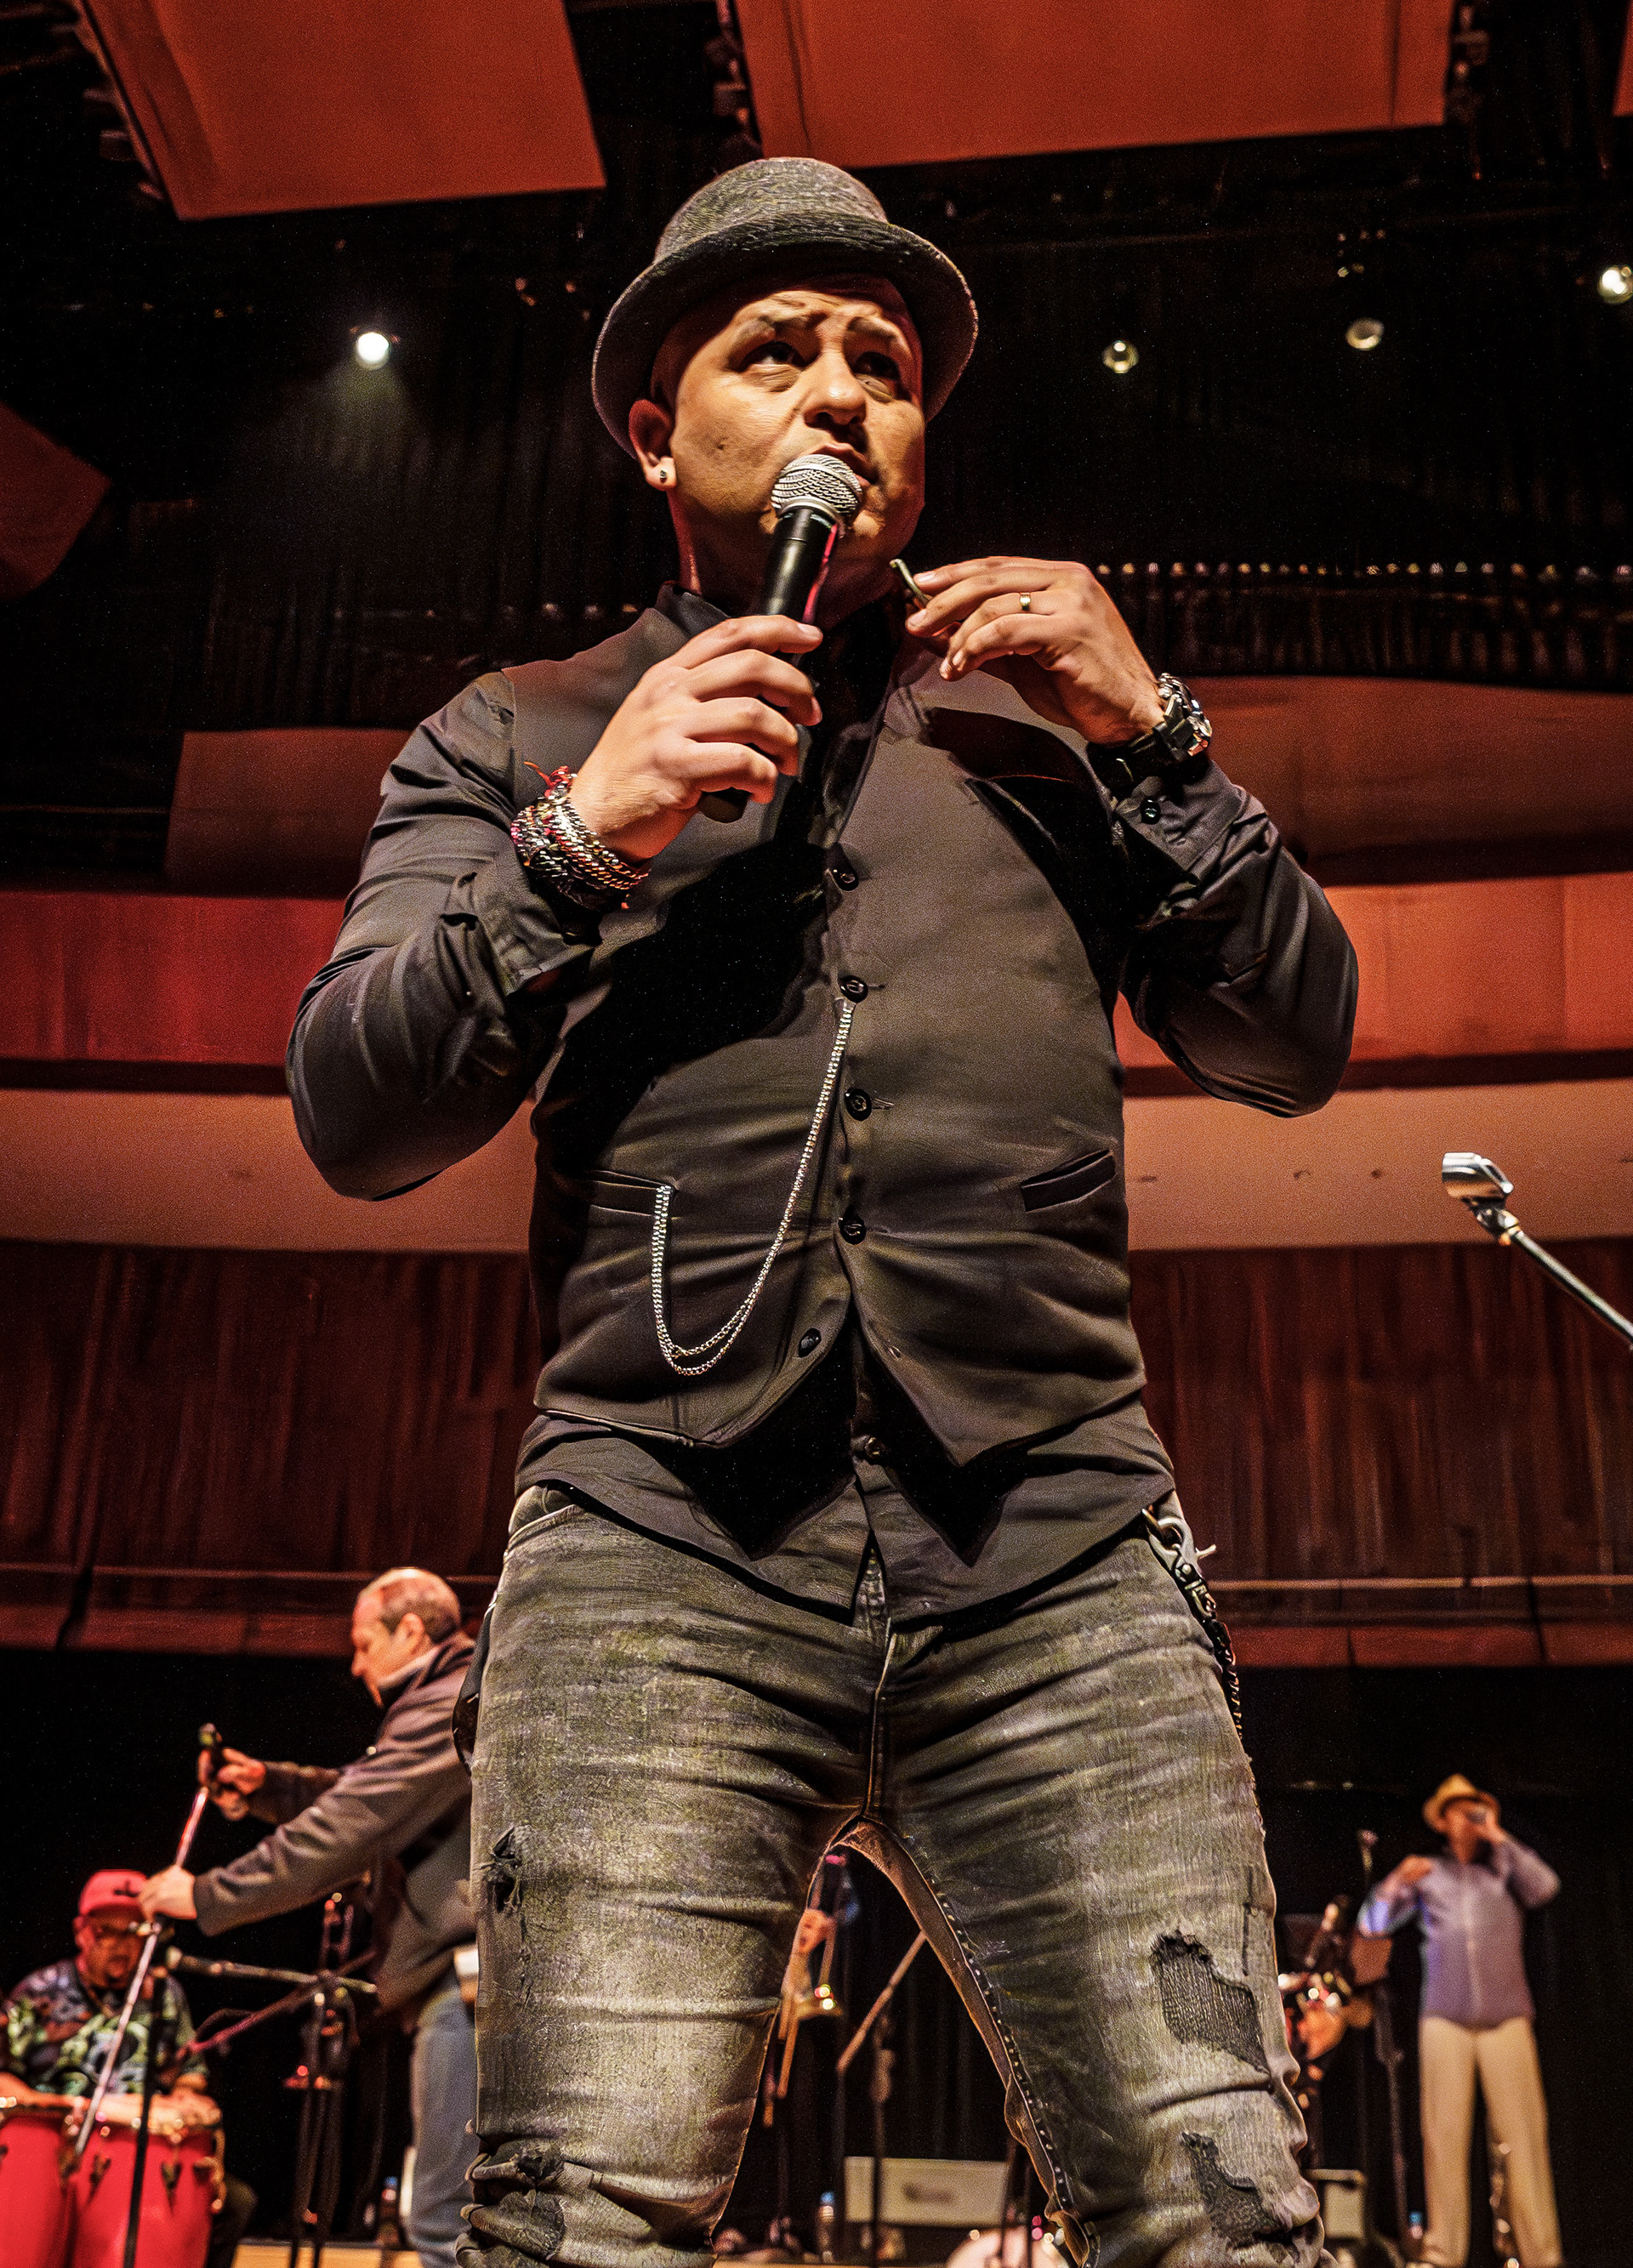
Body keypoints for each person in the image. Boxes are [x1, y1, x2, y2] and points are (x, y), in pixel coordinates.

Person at [286, 157, 1359, 2268]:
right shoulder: (518, 733)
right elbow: (355, 1110)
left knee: (1223, 2212)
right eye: (775, 353)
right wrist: (581, 841)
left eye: (882, 361)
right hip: (652, 1553)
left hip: (1056, 1553)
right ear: (649, 430)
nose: (843, 392)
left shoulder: (1050, 730)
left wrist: (1158, 732)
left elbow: (1295, 1038)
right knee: (581, 2224)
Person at [139, 1566, 478, 2268]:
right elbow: (368, 1796)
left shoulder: (448, 1701)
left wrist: (207, 1895)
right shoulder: (447, 1699)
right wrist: (272, 1787)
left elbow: (351, 1824)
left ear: (411, 1631)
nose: (355, 1665)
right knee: (454, 2211)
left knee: (444, 2220)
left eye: (363, 1643)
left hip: (465, 1983)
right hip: (458, 1981)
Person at [3, 1869, 255, 2267]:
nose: (122, 1945)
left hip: (135, 2150)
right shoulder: (39, 1991)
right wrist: (60, 2107)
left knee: (234, 2202)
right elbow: (3, 2076)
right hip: (57, 2150)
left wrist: (184, 2100)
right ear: (82, 1932)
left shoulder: (165, 1995)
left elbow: (190, 2074)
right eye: (108, 1932)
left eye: (135, 1932)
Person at [1360, 1775, 1562, 2268]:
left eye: (1475, 1808)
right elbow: (1372, 1923)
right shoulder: (1429, 1874)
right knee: (1443, 2137)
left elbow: (1546, 1888)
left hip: (1506, 2019)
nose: (1468, 1817)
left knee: (1524, 2139)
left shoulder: (1503, 1871)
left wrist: (1501, 1838)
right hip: (1445, 2020)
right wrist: (1396, 1881)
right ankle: (1443, 2253)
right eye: (1459, 1810)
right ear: (1443, 1821)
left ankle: (1542, 2255)